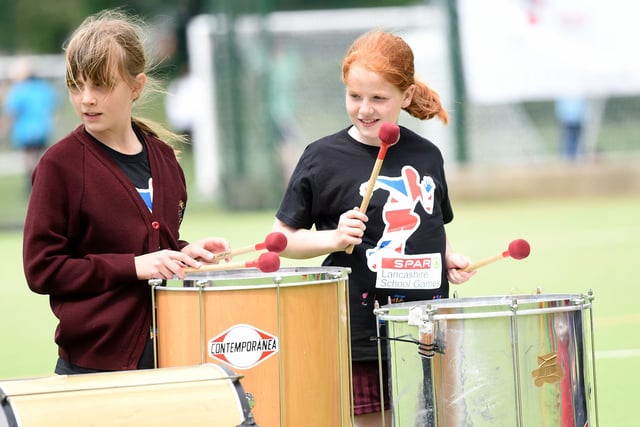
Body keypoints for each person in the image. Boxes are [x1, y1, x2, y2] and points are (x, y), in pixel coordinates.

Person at [272, 30, 476, 426]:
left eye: (378, 98)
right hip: (362, 327)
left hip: (427, 319)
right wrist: (333, 237)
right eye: (354, 96)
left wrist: (447, 258)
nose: (365, 109)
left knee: (439, 417)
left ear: (406, 95)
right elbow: (282, 240)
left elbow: (432, 223)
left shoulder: (427, 154)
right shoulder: (322, 157)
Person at [22, 9, 230, 375]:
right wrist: (134, 267)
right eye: (76, 85)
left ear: (136, 86)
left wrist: (183, 253)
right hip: (93, 366)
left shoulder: (165, 160)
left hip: (169, 356)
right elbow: (43, 269)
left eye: (100, 85)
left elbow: (150, 249)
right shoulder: (59, 166)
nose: (86, 99)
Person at [2, 57, 58, 192]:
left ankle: (31, 184)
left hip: (25, 130)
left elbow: (12, 112)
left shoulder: (19, 90)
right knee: (38, 156)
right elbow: (52, 107)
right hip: (43, 128)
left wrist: (4, 129)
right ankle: (40, 181)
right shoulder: (44, 88)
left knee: (28, 157)